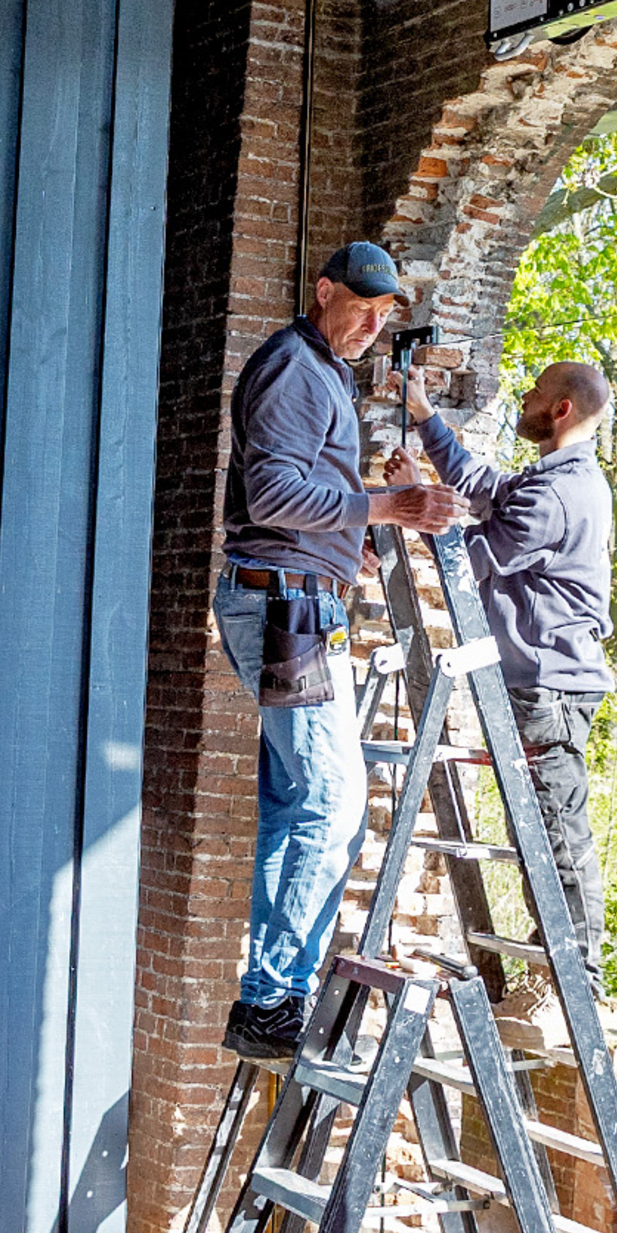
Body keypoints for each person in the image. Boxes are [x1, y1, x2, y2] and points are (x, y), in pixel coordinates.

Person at [216, 241, 460, 1062]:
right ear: (323, 292)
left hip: (296, 593)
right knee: (332, 803)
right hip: (284, 607)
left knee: (300, 804)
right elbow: (272, 493)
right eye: (360, 305)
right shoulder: (294, 365)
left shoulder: (324, 370)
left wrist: (342, 539)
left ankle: (270, 997)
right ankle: (274, 996)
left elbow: (294, 504)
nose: (371, 323)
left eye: (384, 312)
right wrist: (386, 504)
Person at [401, 354, 616, 981]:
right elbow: (481, 487)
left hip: (550, 686)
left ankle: (578, 973)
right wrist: (423, 416)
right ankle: (561, 958)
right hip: (543, 680)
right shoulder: (554, 480)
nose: (526, 396)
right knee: (545, 823)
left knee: (554, 825)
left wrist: (412, 502)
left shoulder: (557, 495)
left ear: (561, 409)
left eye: (536, 391)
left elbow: (470, 560)